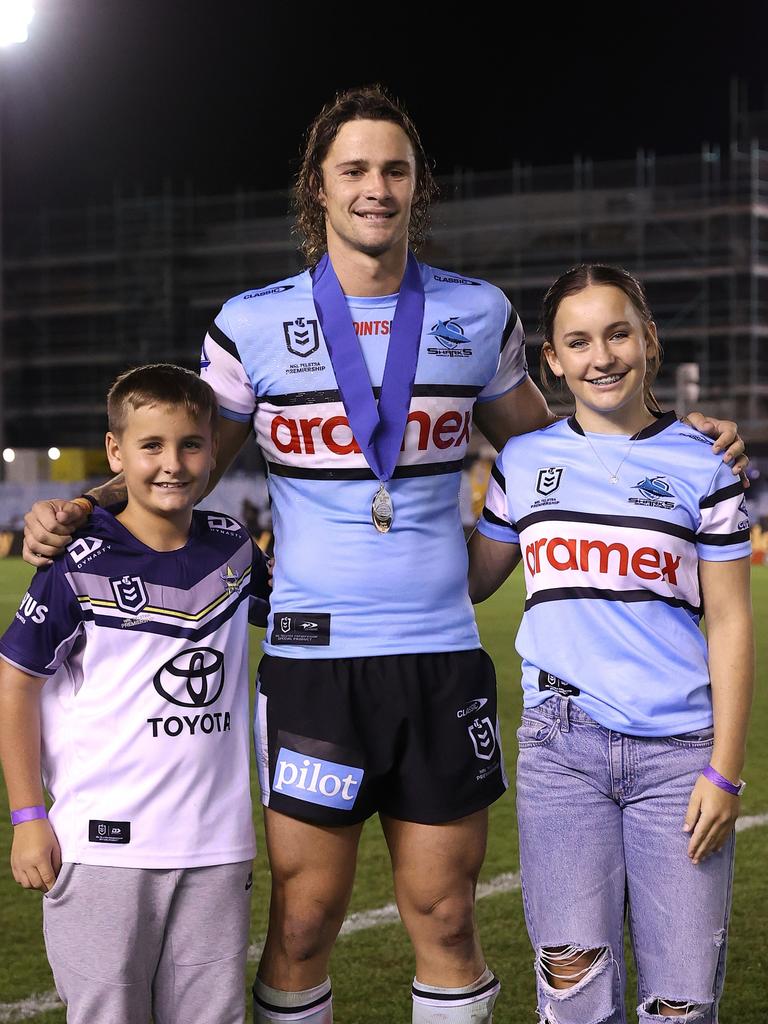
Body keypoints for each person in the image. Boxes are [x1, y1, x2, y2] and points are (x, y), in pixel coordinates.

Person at [21, 90, 746, 1024]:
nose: (376, 188)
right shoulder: (249, 325)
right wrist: (85, 502)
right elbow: (188, 465)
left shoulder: (476, 314)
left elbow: (567, 443)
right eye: (354, 170)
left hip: (440, 658)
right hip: (313, 663)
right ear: (317, 187)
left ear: (418, 187)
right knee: (305, 916)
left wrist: (678, 436)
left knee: (445, 915)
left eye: (395, 169)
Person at [468, 264, 753, 1024]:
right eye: (578, 341)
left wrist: (724, 772)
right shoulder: (524, 462)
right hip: (561, 752)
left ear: (648, 340)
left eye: (618, 332)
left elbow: (729, 620)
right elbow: (470, 580)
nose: (602, 356)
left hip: (679, 758)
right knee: (572, 986)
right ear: (552, 361)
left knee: (682, 1003)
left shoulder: (705, 464)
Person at [0, 365, 271, 1024]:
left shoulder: (234, 549)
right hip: (101, 849)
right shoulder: (75, 561)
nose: (172, 463)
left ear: (214, 448)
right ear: (116, 452)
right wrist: (28, 818)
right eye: (150, 446)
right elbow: (14, 684)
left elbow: (304, 618)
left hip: (215, 845)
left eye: (190, 445)